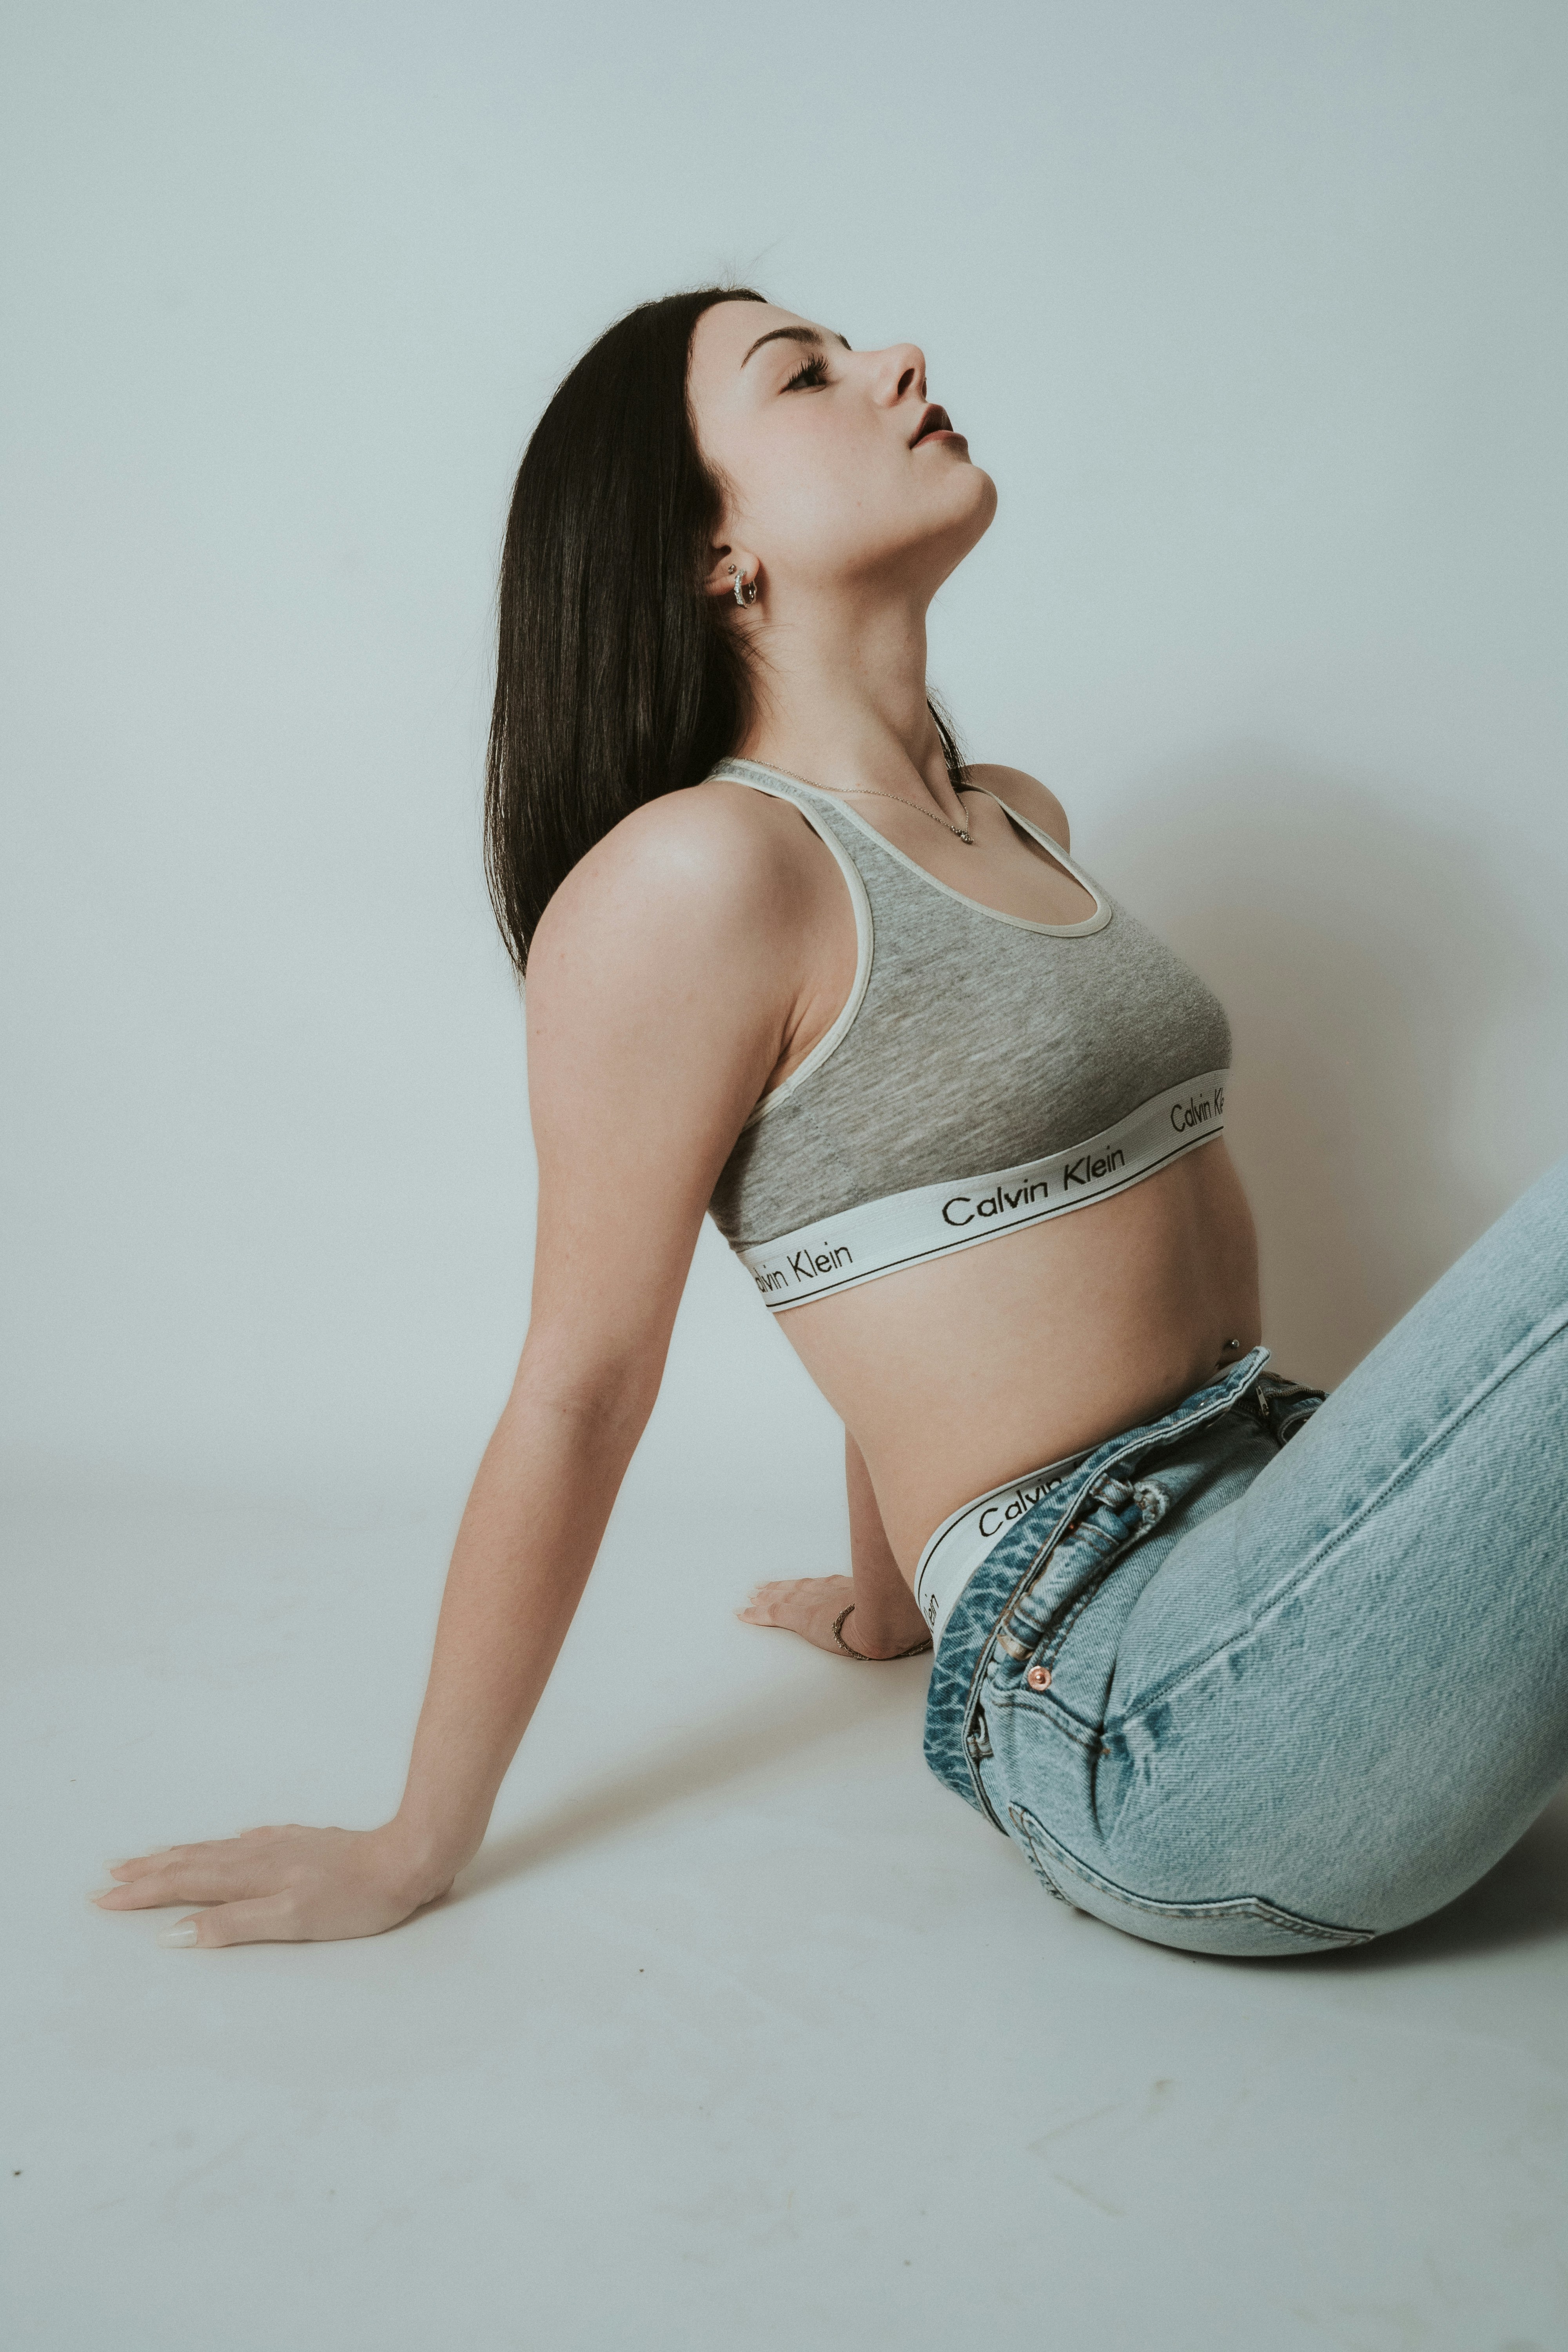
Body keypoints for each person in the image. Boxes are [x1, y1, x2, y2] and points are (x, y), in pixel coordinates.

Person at [94, 288, 1568, 1957]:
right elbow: (580, 1386)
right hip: (1154, 1712)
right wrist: (412, 1843)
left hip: (1290, 1537)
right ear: (710, 561)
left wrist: (889, 1601)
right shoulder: (691, 882)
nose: (899, 362)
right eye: (802, 374)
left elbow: (889, 1220)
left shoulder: (1014, 819)